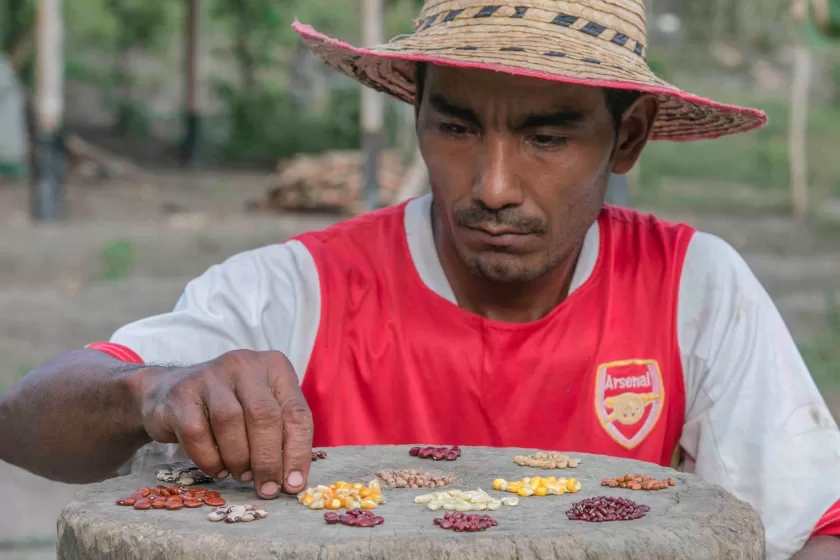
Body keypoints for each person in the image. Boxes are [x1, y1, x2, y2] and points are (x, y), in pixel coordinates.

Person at [1, 0, 839, 558]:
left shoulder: (693, 287)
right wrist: (151, 390)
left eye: (547, 137)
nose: (493, 186)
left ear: (628, 138)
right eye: (457, 127)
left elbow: (814, 526)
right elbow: (24, 421)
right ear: (417, 113)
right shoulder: (300, 289)